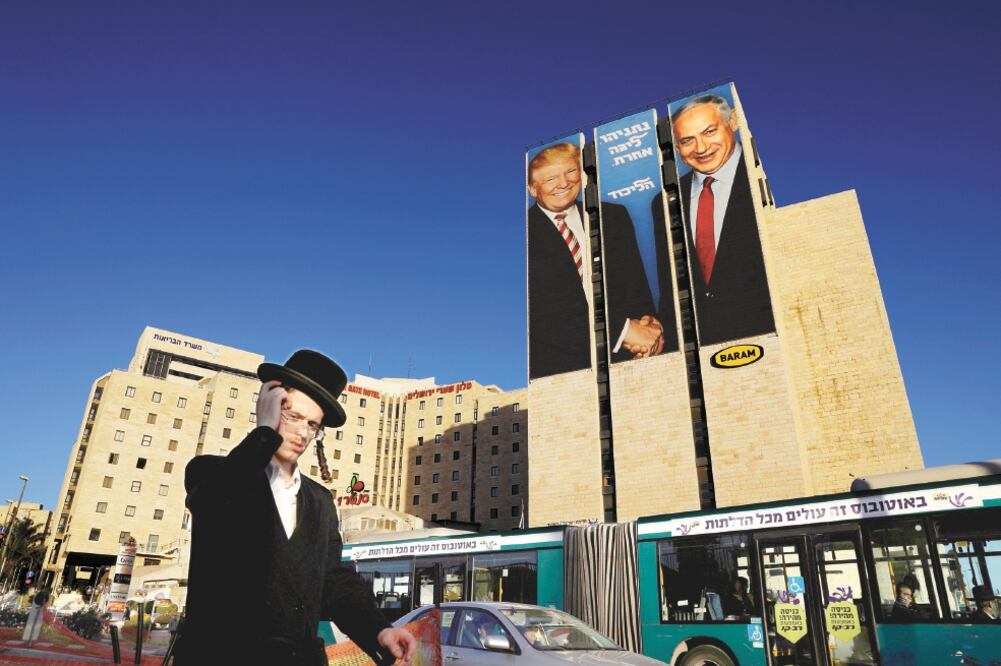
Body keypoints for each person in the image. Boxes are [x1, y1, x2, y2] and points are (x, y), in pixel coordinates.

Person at [179, 350, 416, 666]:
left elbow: (335, 581)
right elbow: (219, 503)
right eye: (292, 417)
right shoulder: (211, 472)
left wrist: (380, 630)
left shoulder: (320, 501)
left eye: (313, 424)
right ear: (269, 406)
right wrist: (263, 433)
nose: (303, 433)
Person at [527, 142, 663, 379]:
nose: (563, 183)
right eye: (550, 179)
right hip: (560, 370)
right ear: (532, 188)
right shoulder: (523, 232)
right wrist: (624, 332)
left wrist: (651, 327)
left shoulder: (612, 216)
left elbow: (636, 283)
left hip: (628, 360)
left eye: (570, 172)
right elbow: (546, 309)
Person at [671, 94, 775, 346]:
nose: (701, 148)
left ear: (733, 122)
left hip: (762, 334)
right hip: (698, 341)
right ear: (677, 148)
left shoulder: (751, 178)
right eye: (687, 140)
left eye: (709, 131)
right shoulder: (665, 201)